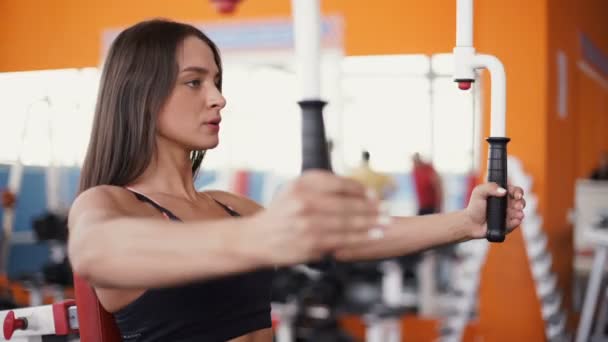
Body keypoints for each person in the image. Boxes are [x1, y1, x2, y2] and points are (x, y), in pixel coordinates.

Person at [67, 19, 526, 342]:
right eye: (195, 82)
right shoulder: (108, 202)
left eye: (217, 81)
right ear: (141, 95)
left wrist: (465, 223)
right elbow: (96, 250)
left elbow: (348, 240)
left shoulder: (230, 206)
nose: (219, 98)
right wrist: (264, 235)